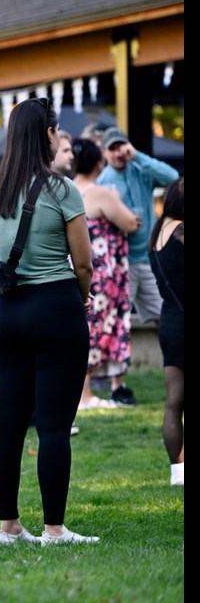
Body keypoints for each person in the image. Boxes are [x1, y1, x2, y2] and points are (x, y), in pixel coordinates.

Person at [0, 97, 98, 546]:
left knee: (8, 424)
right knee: (53, 424)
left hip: (9, 312)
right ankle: (54, 528)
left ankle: (8, 527)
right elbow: (83, 263)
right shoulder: (62, 189)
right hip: (56, 309)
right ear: (48, 134)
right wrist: (82, 298)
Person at [96, 126, 179, 405]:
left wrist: (138, 156)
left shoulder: (139, 169)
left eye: (122, 146)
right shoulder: (104, 181)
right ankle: (117, 385)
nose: (118, 152)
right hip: (122, 263)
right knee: (119, 322)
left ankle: (175, 369)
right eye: (113, 148)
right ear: (105, 153)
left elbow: (172, 178)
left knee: (164, 316)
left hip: (148, 260)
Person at [70, 139, 139, 409]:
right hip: (103, 272)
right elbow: (130, 222)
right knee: (98, 328)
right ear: (99, 162)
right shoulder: (99, 192)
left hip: (77, 265)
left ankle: (84, 391)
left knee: (85, 327)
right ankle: (86, 393)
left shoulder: (68, 188)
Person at [148, 178, 183, 486]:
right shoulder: (182, 231)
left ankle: (178, 472)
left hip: (170, 320)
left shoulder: (156, 232)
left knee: (174, 401)